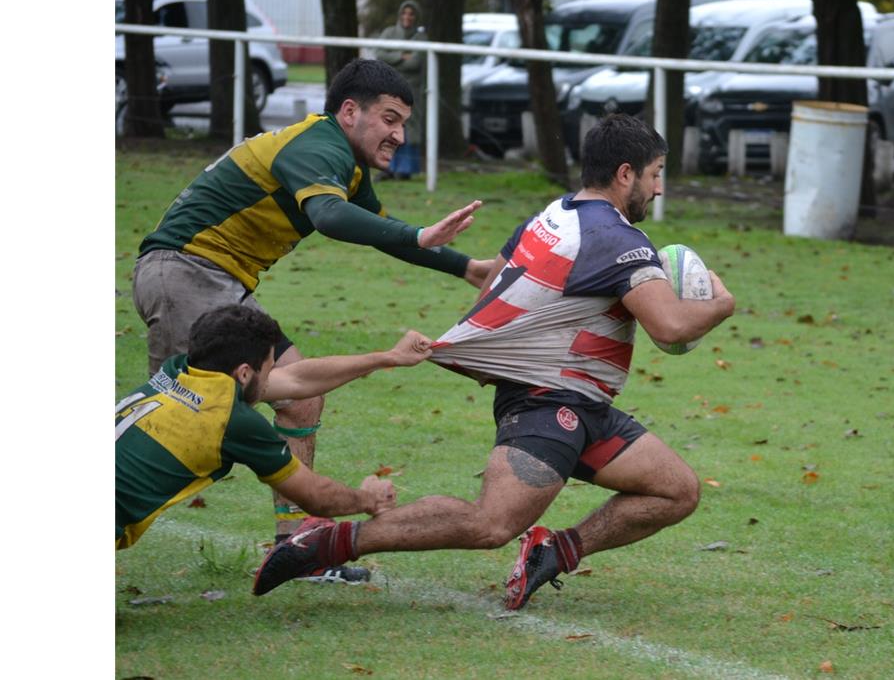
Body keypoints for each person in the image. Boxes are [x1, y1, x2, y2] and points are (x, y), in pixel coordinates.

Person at [252, 114, 735, 608]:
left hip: (583, 402)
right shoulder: (618, 240)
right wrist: (721, 306)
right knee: (491, 523)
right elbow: (670, 328)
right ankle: (324, 544)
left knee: (676, 490)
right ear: (626, 173)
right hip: (547, 403)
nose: (657, 190)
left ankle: (553, 550)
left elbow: (496, 283)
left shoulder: (554, 215)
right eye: (655, 175)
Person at [132, 58, 492, 571]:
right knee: (172, 437)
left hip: (218, 282)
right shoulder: (317, 145)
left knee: (302, 402)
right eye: (389, 119)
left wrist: (469, 268)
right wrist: (419, 236)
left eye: (403, 123)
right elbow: (328, 216)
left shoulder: (343, 162)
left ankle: (295, 544)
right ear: (349, 112)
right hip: (187, 273)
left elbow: (379, 228)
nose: (398, 133)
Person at [117, 305, 433, 557]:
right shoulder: (230, 420)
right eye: (268, 369)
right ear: (243, 373)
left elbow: (296, 380)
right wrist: (369, 499)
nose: (270, 379)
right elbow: (316, 497)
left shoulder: (181, 369)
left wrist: (389, 357)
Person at [373, 0, 427, 181]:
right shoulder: (389, 33)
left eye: (411, 14)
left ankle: (405, 170)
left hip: (412, 92)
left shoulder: (420, 38)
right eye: (405, 13)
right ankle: (387, 167)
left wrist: (394, 59)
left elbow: (415, 62)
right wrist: (402, 56)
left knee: (408, 128)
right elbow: (380, 54)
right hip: (388, 89)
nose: (407, 17)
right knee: (387, 126)